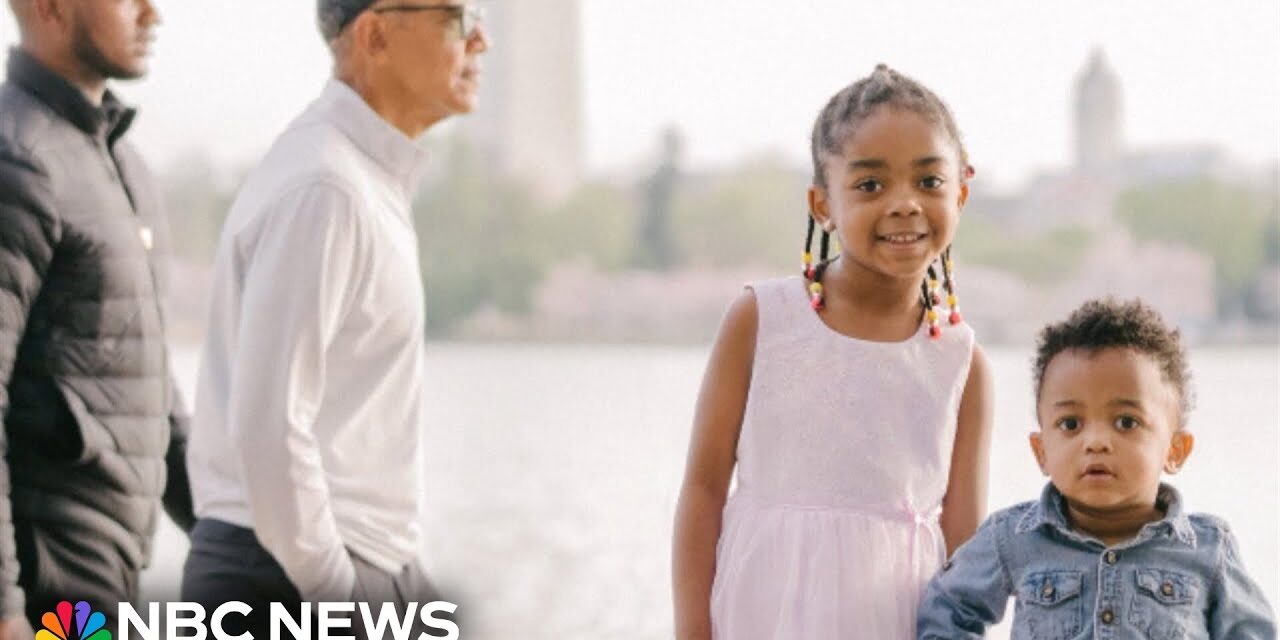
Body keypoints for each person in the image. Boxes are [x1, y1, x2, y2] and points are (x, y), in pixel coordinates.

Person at [180, 0, 487, 636]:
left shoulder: (359, 178)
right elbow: (268, 422)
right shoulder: (326, 188)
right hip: (292, 581)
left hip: (342, 566)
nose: (480, 41)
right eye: (459, 17)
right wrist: (340, 594)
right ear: (376, 34)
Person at [671, 64, 994, 639]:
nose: (904, 204)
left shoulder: (962, 361)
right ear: (823, 204)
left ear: (961, 194)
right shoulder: (761, 319)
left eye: (929, 182)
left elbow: (964, 543)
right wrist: (692, 631)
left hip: (897, 618)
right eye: (870, 185)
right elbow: (702, 490)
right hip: (765, 611)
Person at [0, 0, 194, 636]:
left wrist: (244, 538)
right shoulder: (17, 160)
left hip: (109, 576)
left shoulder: (123, 166)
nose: (152, 13)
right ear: (49, 8)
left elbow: (152, 394)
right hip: (48, 581)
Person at [917, 298, 1276, 638]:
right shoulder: (1011, 538)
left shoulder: (1209, 548)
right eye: (1071, 424)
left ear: (1175, 449)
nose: (1096, 442)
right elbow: (949, 605)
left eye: (1126, 422)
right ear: (1041, 451)